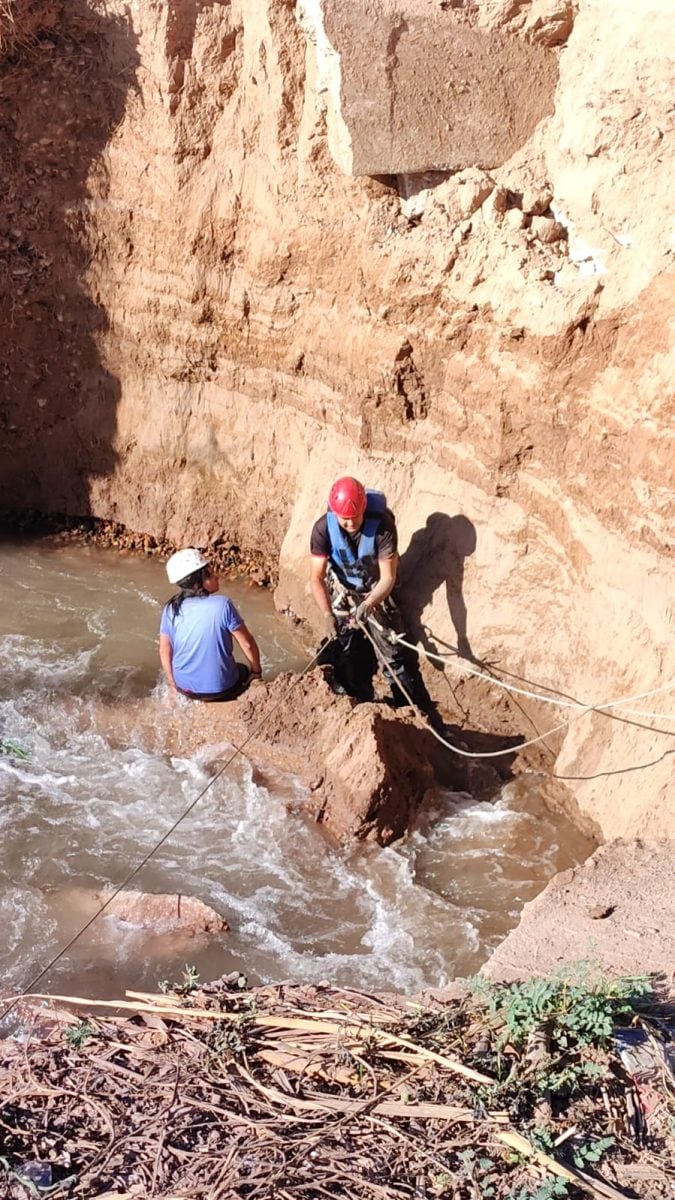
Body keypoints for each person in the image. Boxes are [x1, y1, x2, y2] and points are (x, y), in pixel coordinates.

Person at [309, 476, 421, 706]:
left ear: (364, 509)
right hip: (344, 590)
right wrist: (327, 614)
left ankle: (406, 705)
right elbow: (316, 577)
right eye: (344, 519)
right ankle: (352, 694)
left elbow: (388, 577)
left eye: (355, 517)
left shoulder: (382, 527)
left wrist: (369, 604)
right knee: (343, 645)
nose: (350, 524)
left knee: (391, 653)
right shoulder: (323, 529)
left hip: (376, 589)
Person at [159, 548, 262, 701]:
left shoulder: (170, 609)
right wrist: (256, 672)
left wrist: (173, 684)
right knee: (244, 670)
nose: (217, 576)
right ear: (198, 582)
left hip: (184, 688)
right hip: (223, 689)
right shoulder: (223, 604)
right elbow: (247, 644)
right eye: (210, 572)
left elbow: (164, 650)